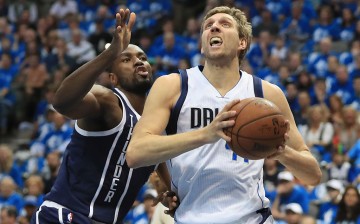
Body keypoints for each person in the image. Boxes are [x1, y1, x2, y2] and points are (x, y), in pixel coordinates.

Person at [127, 6, 322, 223]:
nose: (214, 27)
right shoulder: (173, 86)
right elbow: (135, 153)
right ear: (202, 45)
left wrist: (283, 153)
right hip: (191, 217)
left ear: (242, 43)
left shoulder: (266, 94)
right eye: (208, 26)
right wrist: (206, 134)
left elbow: (313, 175)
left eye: (225, 24)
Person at [30, 8, 173, 224]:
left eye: (142, 57)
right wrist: (110, 53)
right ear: (113, 77)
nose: (138, 61)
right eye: (126, 59)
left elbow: (157, 157)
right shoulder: (108, 101)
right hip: (66, 215)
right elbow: (61, 102)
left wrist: (168, 190)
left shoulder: (156, 124)